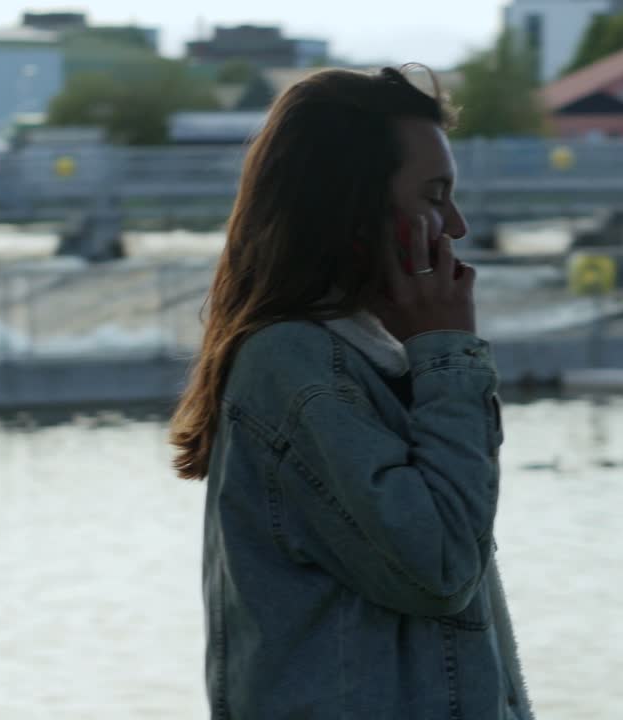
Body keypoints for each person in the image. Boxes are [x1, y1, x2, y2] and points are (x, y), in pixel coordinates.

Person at [169, 65, 535, 720]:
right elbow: (442, 567)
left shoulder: (367, 357)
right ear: (350, 207)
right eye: (434, 196)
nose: (456, 225)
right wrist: (447, 354)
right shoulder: (294, 366)